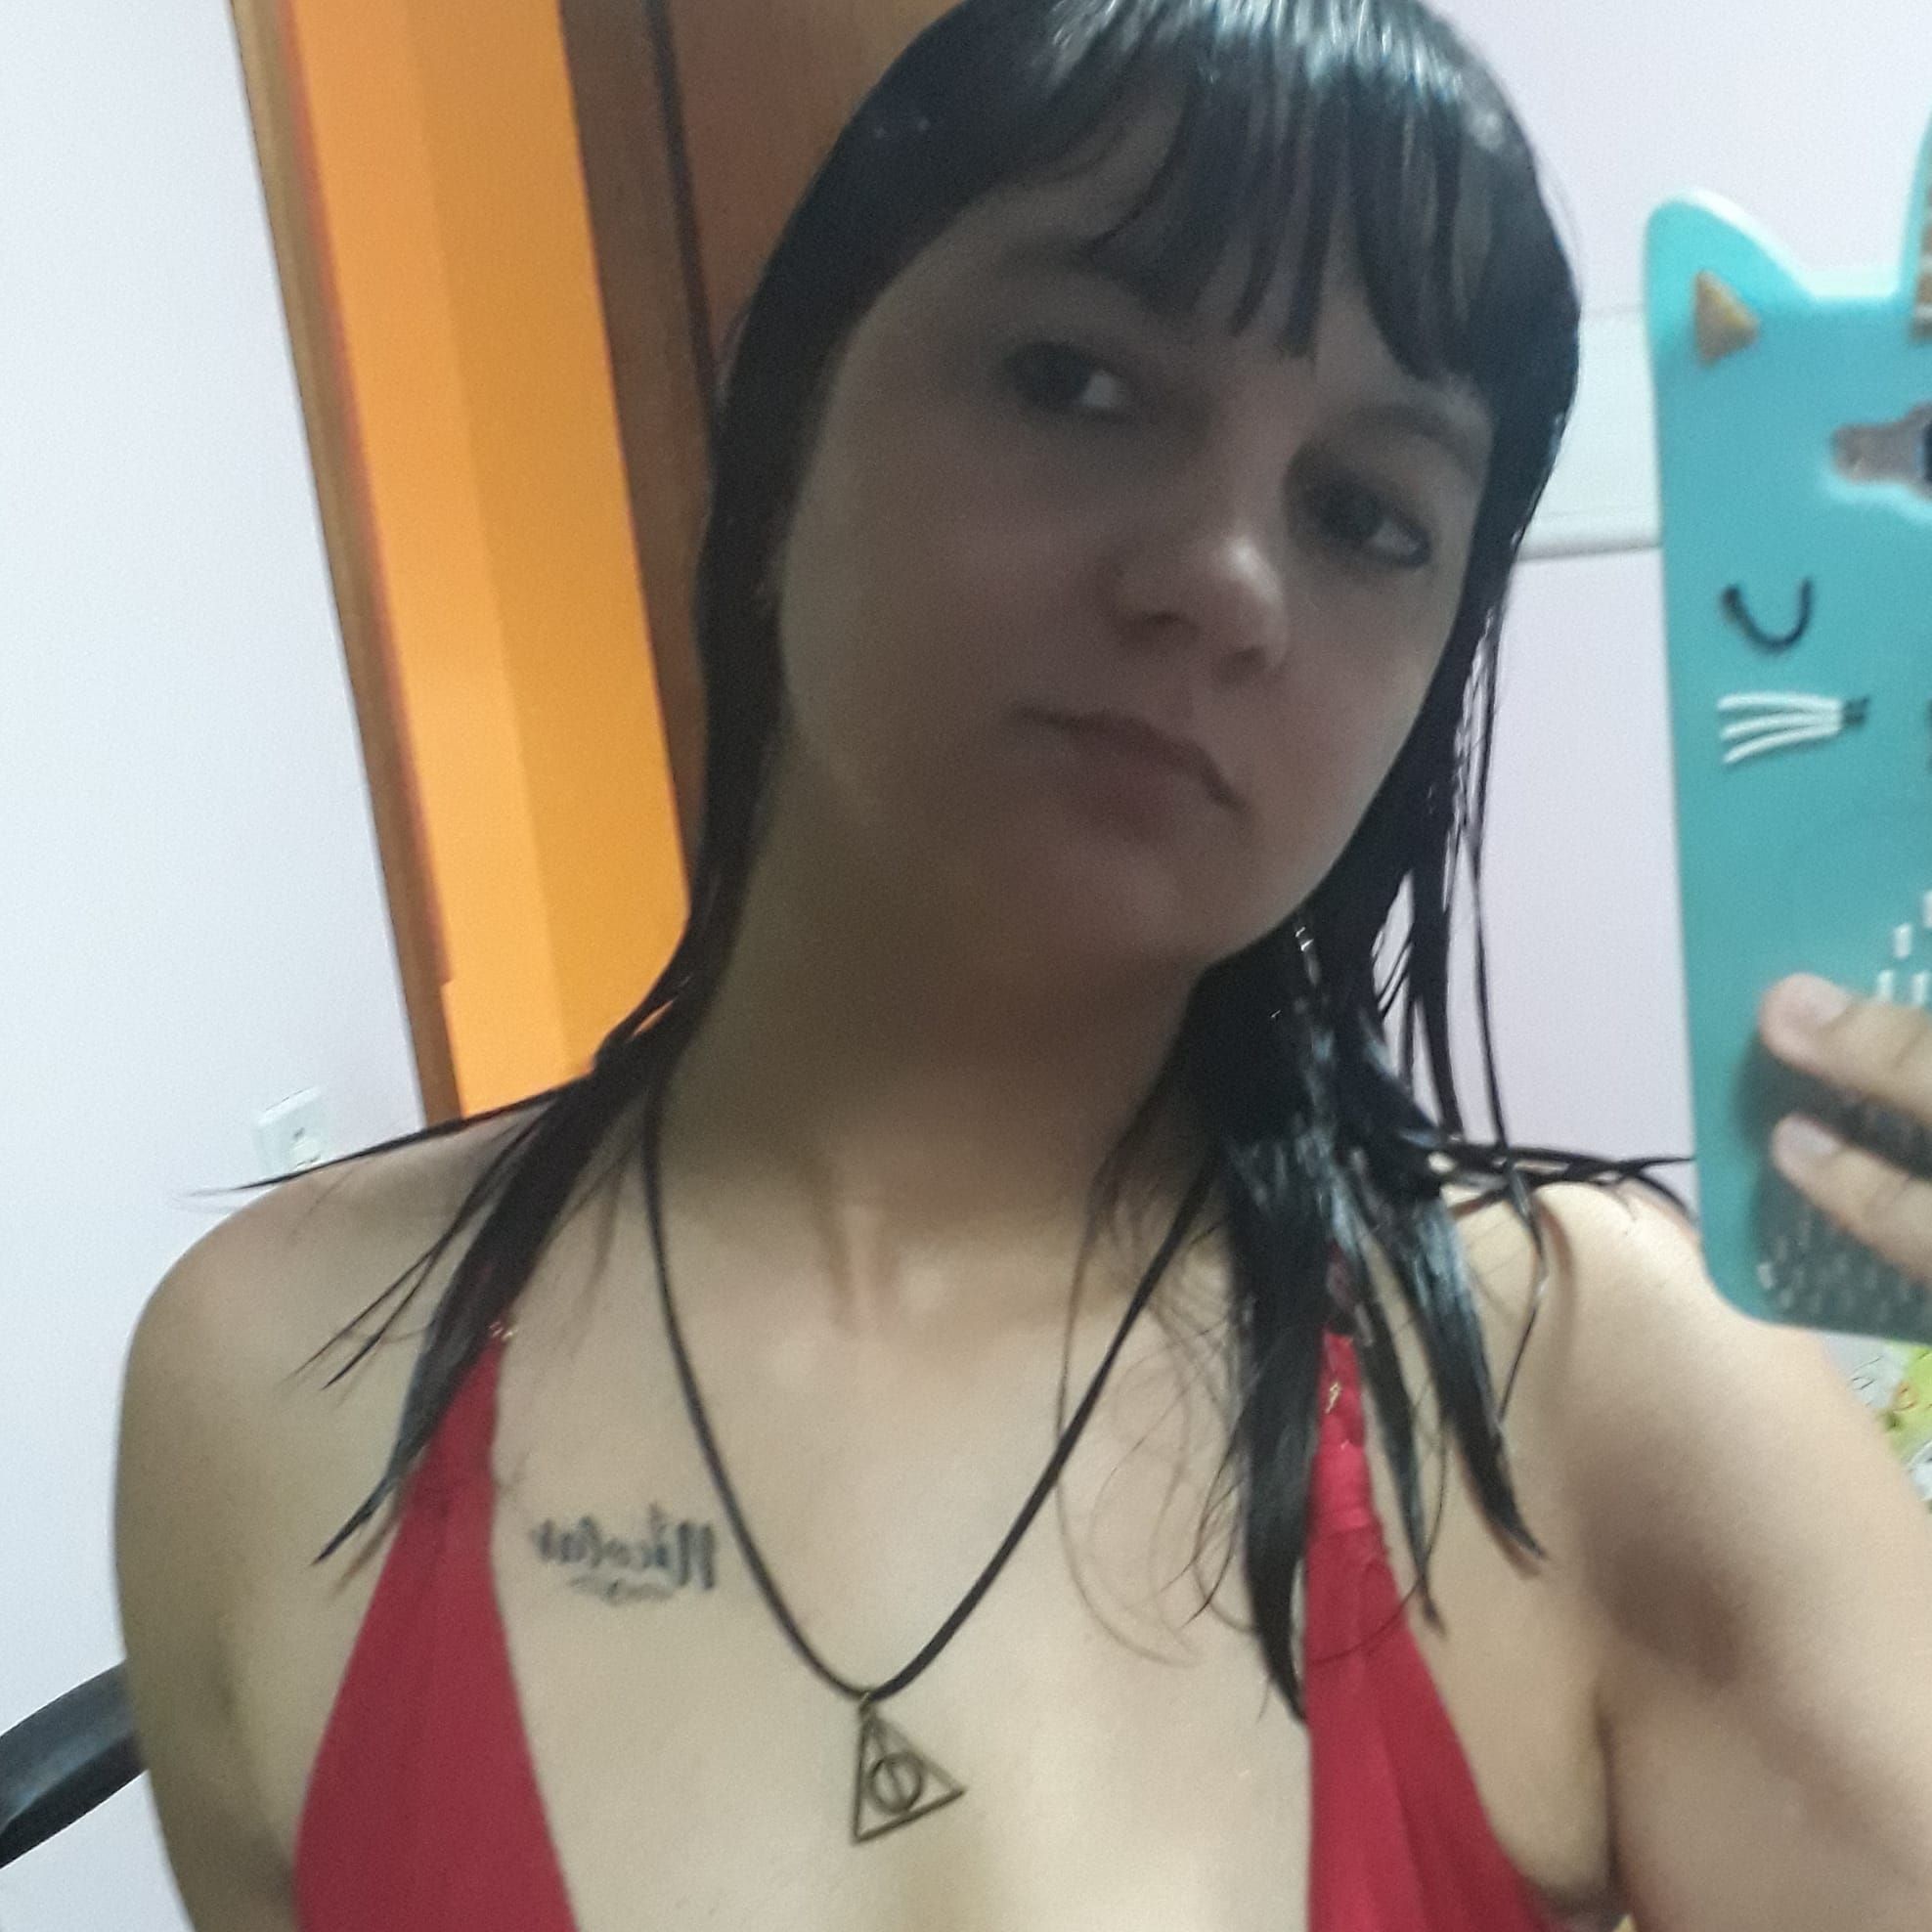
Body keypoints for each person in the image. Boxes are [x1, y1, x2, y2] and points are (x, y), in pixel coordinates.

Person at [114, 2, 1932, 1927]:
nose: (1223, 578)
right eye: (1075, 380)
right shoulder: (270, 1392)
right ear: (786, 426)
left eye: (1362, 513)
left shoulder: (1607, 1402)